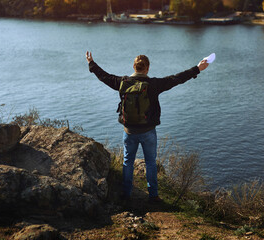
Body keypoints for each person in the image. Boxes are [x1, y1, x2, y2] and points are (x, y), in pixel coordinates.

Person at [85, 51, 209, 202]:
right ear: (147, 68)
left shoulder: (122, 82)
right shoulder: (154, 84)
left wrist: (91, 63)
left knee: (127, 161)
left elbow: (104, 76)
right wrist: (197, 68)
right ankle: (153, 195)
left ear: (134, 66)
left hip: (129, 131)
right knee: (150, 162)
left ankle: (126, 193)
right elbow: (177, 78)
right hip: (148, 131)